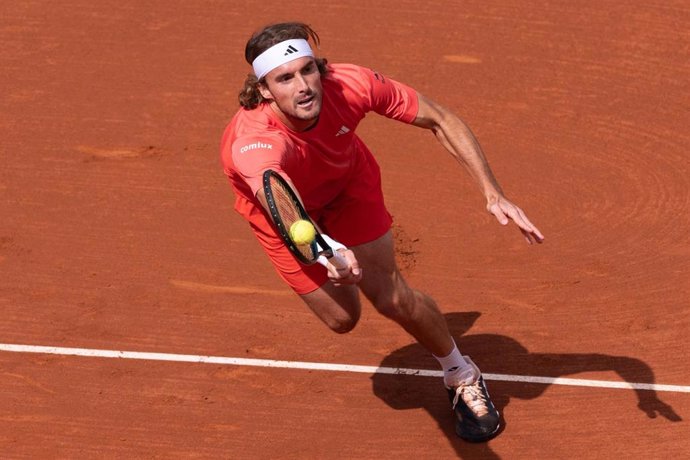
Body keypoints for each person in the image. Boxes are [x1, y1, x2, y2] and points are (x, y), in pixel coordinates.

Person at [220, 22, 544, 442]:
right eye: (285, 78)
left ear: (320, 68)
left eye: (308, 71)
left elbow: (441, 119)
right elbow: (283, 203)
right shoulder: (251, 140)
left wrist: (492, 191)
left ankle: (461, 374)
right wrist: (327, 252)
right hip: (282, 214)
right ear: (264, 90)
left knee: (391, 297)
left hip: (347, 186)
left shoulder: (351, 84)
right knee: (342, 319)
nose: (303, 86)